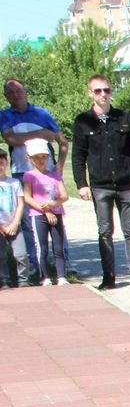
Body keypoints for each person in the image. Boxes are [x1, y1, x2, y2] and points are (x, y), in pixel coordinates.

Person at [71, 73, 130, 289]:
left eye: (106, 90)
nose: (103, 94)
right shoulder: (82, 121)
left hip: (126, 184)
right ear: (90, 93)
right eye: (98, 91)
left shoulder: (124, 117)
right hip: (100, 186)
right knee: (105, 232)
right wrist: (81, 184)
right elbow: (78, 156)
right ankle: (109, 276)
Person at [1, 78, 66, 277]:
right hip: (22, 172)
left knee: (55, 216)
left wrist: (60, 165)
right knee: (29, 221)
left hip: (46, 173)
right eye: (10, 92)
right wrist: (40, 133)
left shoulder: (42, 113)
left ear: (25, 91)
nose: (15, 95)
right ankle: (35, 264)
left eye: (18, 90)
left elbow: (61, 141)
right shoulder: (5, 115)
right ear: (6, 96)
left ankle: (62, 262)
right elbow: (11, 139)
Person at [21, 138, 70, 286]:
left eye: (43, 156)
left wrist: (55, 204)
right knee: (42, 247)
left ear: (48, 157)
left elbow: (64, 195)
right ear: (29, 158)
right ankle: (45, 276)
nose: (41, 160)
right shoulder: (29, 175)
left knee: (58, 245)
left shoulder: (54, 175)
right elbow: (28, 198)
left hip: (56, 213)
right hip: (39, 215)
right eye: (36, 157)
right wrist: (45, 210)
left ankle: (61, 275)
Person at [0, 149, 27, 287]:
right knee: (1, 256)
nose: (0, 167)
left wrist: (15, 223)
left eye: (1, 163)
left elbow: (21, 204)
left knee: (20, 254)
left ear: (6, 163)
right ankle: (4, 280)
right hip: (0, 226)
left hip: (14, 224)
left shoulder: (14, 183)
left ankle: (23, 280)